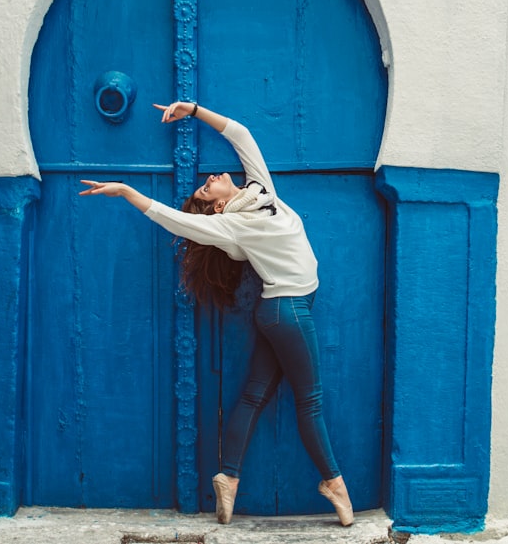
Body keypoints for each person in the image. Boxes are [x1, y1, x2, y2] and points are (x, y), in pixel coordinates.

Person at [79, 101, 354, 527]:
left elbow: (241, 135)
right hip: (289, 309)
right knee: (310, 400)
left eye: (208, 183)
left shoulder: (261, 193)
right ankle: (333, 483)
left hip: (280, 312)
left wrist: (193, 109)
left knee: (253, 396)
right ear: (216, 210)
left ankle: (228, 476)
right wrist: (127, 192)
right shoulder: (228, 224)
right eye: (207, 191)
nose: (211, 179)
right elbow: (176, 221)